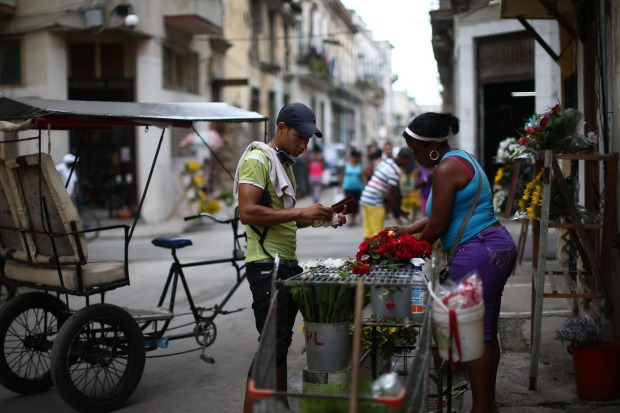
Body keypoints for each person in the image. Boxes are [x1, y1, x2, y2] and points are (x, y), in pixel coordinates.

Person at [388, 112, 516, 413]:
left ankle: (482, 408)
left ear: (432, 146)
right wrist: (410, 230)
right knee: (484, 331)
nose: (415, 157)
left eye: (417, 151)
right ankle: (486, 405)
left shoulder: (444, 170)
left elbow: (440, 224)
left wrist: (410, 252)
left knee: (478, 334)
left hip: (478, 251)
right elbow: (441, 213)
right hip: (493, 246)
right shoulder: (461, 158)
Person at [234, 102, 347, 412]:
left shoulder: (283, 166)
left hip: (285, 263)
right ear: (281, 128)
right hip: (266, 264)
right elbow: (247, 211)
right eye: (301, 137)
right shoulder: (258, 159)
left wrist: (323, 216)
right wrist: (301, 210)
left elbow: (286, 218)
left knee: (279, 346)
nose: (304, 145)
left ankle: (279, 406)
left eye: (309, 140)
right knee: (270, 346)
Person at [359, 147, 413, 240]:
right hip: (375, 202)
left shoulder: (387, 162)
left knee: (368, 233)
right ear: (401, 158)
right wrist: (400, 212)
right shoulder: (396, 171)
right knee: (377, 236)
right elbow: (389, 196)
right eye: (408, 161)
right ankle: (372, 254)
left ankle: (366, 254)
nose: (408, 164)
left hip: (365, 197)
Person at [339, 148, 364, 226]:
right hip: (348, 187)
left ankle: (354, 218)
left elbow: (362, 177)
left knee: (356, 204)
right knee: (349, 204)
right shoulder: (346, 165)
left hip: (358, 188)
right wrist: (340, 185)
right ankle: (351, 220)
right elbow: (342, 176)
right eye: (356, 157)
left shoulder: (360, 166)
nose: (358, 159)